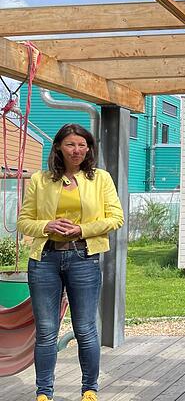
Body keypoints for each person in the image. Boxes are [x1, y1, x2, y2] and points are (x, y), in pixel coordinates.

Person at [18, 124, 124, 401]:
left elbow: (116, 218)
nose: (77, 150)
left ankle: (89, 389)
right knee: (46, 330)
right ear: (58, 148)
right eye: (70, 145)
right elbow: (23, 221)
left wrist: (82, 230)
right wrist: (47, 224)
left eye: (82, 145)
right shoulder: (41, 180)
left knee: (85, 328)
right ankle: (44, 392)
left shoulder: (100, 179)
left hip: (83, 257)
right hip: (45, 260)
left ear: (88, 148)